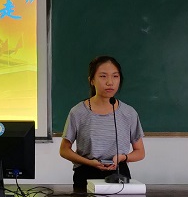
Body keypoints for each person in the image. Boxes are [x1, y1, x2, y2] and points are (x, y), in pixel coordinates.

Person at [59, 55, 145, 189]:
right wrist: (89, 162)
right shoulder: (78, 112)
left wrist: (123, 158)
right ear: (91, 80)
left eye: (115, 76)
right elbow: (64, 150)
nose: (110, 82)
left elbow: (140, 152)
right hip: (86, 173)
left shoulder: (129, 113)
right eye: (103, 76)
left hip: (118, 174)